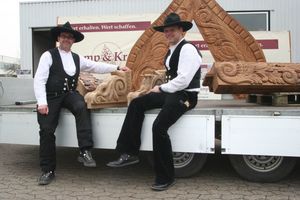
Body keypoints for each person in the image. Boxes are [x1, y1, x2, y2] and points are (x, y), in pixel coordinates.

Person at [107, 13, 202, 191]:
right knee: (137, 103)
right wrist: (161, 88)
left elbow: (183, 80)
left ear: (182, 30)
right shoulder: (172, 49)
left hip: (186, 96)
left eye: (172, 30)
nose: (168, 33)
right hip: (172, 93)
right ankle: (129, 152)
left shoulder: (188, 49)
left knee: (159, 128)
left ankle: (166, 177)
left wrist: (161, 88)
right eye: (166, 31)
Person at [34, 21, 128, 185]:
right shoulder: (48, 55)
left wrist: (117, 66)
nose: (67, 39)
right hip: (51, 96)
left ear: (73, 41)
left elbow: (96, 66)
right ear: (59, 38)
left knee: (81, 106)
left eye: (70, 37)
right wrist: (42, 102)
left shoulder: (77, 58)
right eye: (64, 36)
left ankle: (85, 151)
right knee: (47, 130)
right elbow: (39, 80)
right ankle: (47, 170)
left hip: (69, 94)